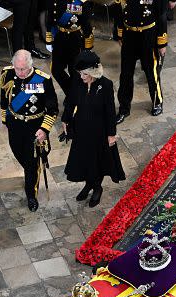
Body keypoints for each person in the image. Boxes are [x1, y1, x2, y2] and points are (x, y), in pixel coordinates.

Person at [61, 50, 125, 207]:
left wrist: (111, 134)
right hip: (81, 130)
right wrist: (66, 119)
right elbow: (70, 101)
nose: (81, 77)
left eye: (84, 74)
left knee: (97, 162)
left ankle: (97, 188)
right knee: (84, 160)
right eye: (80, 74)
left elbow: (110, 112)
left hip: (99, 132)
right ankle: (89, 184)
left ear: (93, 73)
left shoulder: (106, 85)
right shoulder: (78, 81)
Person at [0, 49, 58, 211]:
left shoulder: (42, 80)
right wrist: (5, 120)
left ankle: (31, 194)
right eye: (17, 69)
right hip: (15, 125)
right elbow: (4, 98)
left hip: (34, 127)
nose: (21, 73)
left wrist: (44, 129)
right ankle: (30, 173)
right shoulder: (7, 73)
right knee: (20, 156)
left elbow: (52, 108)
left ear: (31, 65)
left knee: (31, 163)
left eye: (24, 69)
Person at [113, 0, 168, 123]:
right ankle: (124, 108)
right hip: (129, 36)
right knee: (126, 74)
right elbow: (118, 12)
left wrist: (162, 42)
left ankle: (157, 102)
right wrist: (120, 34)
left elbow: (161, 17)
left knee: (151, 72)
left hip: (148, 36)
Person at [45, 0, 94, 96]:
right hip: (59, 37)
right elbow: (50, 17)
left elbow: (86, 23)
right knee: (56, 70)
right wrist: (49, 38)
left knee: (75, 72)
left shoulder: (81, 2)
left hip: (75, 39)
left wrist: (87, 46)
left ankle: (74, 98)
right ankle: (72, 95)